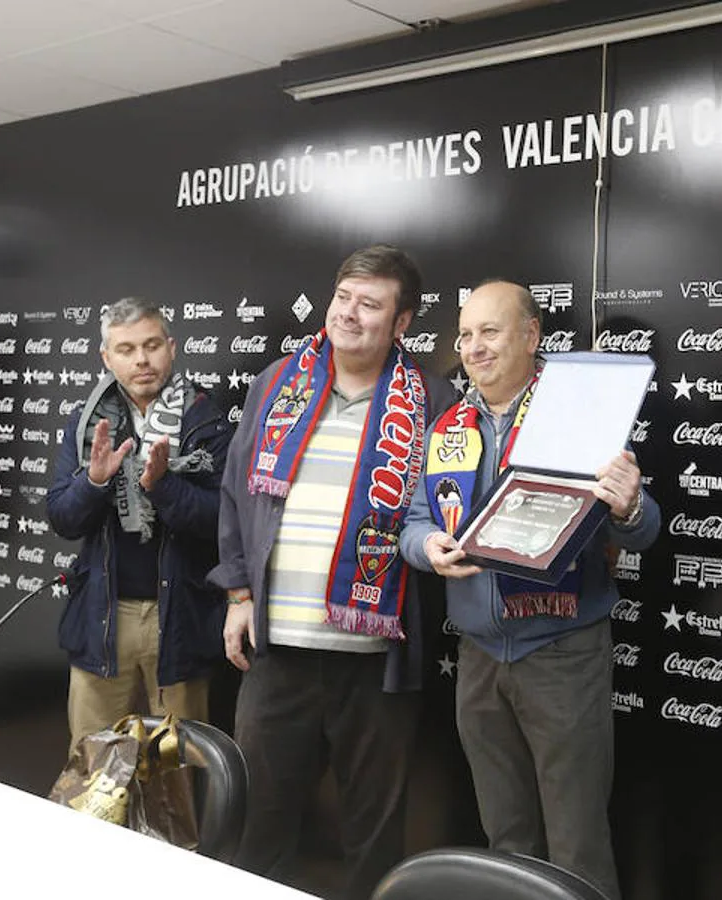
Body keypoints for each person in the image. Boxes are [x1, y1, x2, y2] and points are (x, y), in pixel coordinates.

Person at [400, 279, 661, 900]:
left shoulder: (577, 414)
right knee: (506, 838)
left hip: (563, 654)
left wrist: (628, 507)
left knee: (576, 845)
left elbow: (645, 528)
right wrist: (427, 549)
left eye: (490, 331)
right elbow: (413, 523)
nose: (474, 347)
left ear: (530, 335)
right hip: (479, 658)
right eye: (465, 334)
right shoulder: (446, 427)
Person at [211, 245, 454, 899]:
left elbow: (446, 505)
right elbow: (235, 493)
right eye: (344, 296)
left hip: (378, 658)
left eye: (370, 304)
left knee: (374, 836)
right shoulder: (277, 383)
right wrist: (238, 592)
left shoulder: (433, 400)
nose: (349, 313)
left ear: (402, 323)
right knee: (258, 823)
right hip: (279, 650)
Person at [47, 296, 232, 749]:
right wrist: (93, 481)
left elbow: (222, 521)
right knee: (94, 766)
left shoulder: (205, 420)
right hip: (102, 618)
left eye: (151, 345)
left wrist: (163, 485)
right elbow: (63, 519)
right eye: (126, 349)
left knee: (179, 772)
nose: (142, 360)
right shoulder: (86, 424)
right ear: (107, 358)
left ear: (171, 347)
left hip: (180, 617)